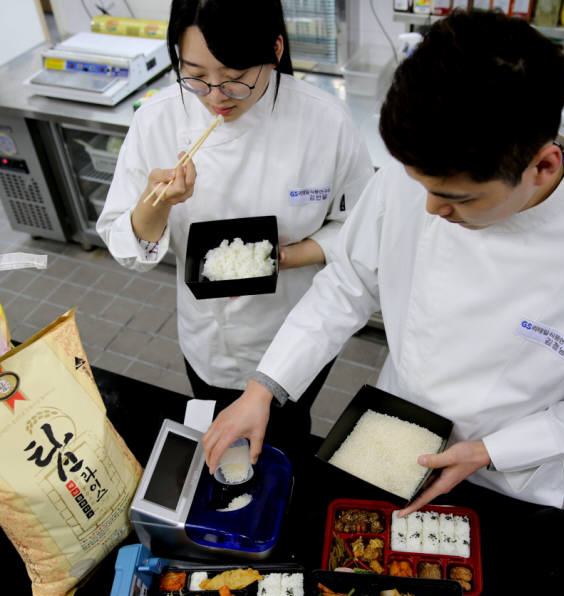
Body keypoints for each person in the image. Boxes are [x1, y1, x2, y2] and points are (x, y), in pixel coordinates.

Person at [202, 9, 564, 514]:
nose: (430, 209)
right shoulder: (415, 175)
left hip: (507, 476)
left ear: (543, 165)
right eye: (421, 186)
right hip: (390, 440)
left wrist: (495, 451)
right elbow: (347, 285)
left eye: (458, 199)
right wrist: (263, 388)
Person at [97, 0, 373, 443]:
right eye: (196, 75)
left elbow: (358, 230)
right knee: (219, 432)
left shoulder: (326, 123)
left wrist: (278, 258)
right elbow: (123, 242)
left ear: (276, 49)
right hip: (208, 336)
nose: (215, 97)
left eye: (235, 79)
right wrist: (158, 203)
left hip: (295, 331)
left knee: (286, 436)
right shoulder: (158, 118)